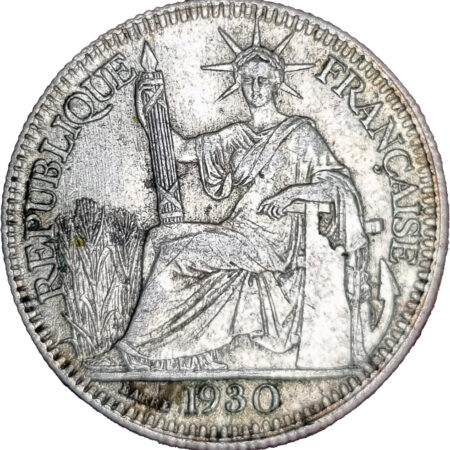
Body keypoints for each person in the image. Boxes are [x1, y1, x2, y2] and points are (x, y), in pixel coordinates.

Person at [92, 24, 371, 373]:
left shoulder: (301, 133)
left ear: (277, 83)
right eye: (248, 80)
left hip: (272, 241)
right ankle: (186, 353)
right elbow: (179, 150)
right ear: (239, 83)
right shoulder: (236, 135)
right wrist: (151, 108)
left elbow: (338, 187)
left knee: (178, 253)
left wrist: (291, 193)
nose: (256, 88)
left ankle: (132, 352)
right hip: (238, 230)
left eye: (263, 80)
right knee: (159, 238)